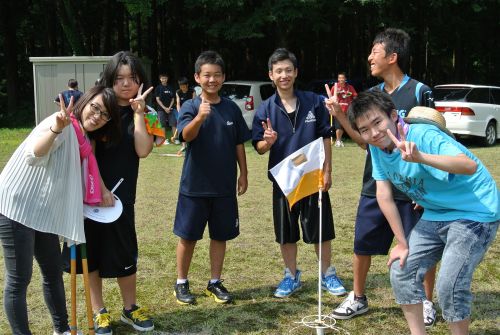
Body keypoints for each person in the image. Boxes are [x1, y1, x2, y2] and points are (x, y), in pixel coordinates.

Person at [348, 90, 499, 335]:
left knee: (449, 284)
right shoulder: (377, 148)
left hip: (474, 210)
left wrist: (420, 157)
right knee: (401, 269)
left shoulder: (423, 135)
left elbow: (469, 165)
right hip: (437, 212)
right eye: (364, 129)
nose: (373, 133)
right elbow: (383, 195)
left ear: (394, 116)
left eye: (377, 122)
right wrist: (401, 242)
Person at [326, 28, 437, 326]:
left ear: (392, 56)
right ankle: (359, 297)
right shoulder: (370, 96)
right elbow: (363, 141)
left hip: (413, 188)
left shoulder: (419, 92)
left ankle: (426, 301)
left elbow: (429, 137)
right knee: (362, 243)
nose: (369, 58)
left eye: (374, 52)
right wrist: (339, 115)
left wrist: (424, 189)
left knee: (422, 248)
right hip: (376, 183)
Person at [0, 85, 120, 335]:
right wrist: (56, 128)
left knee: (53, 271)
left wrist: (103, 192)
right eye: (95, 107)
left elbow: (83, 175)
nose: (97, 116)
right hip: (17, 205)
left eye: (104, 114)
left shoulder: (85, 139)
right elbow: (34, 154)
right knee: (20, 278)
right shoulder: (62, 124)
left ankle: (62, 329)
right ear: (84, 102)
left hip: (43, 211)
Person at [63, 51, 155, 334]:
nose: (126, 84)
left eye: (132, 78)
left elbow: (143, 150)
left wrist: (139, 114)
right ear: (108, 80)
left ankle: (130, 308)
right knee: (91, 255)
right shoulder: (97, 108)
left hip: (121, 199)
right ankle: (99, 310)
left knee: (125, 253)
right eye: (119, 78)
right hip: (86, 197)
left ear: (141, 81)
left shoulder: (147, 114)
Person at [252, 48, 346, 299]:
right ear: (270, 75)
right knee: (286, 232)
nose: (284, 75)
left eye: (288, 70)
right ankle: (291, 275)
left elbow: (326, 136)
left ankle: (328, 273)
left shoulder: (313, 101)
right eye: (278, 71)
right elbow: (259, 148)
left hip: (312, 177)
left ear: (296, 73)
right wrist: (268, 142)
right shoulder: (265, 109)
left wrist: (327, 170)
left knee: (321, 229)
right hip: (283, 181)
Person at [172, 51, 250, 305]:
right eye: (207, 75)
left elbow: (239, 143)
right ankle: (181, 283)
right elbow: (185, 135)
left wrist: (244, 173)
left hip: (224, 186)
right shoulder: (190, 106)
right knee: (188, 235)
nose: (212, 80)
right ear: (197, 77)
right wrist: (200, 117)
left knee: (220, 235)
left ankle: (214, 282)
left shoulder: (231, 108)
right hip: (194, 186)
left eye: (217, 75)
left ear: (223, 77)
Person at [330, 72, 357, 147]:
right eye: (340, 78)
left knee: (346, 126)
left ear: (345, 79)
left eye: (343, 78)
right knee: (338, 125)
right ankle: (338, 141)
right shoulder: (335, 87)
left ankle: (340, 140)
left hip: (348, 109)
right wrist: (336, 94)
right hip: (338, 109)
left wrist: (351, 97)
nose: (341, 79)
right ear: (338, 79)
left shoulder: (350, 87)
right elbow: (330, 97)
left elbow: (355, 96)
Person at [154, 73, 177, 144]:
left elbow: (173, 99)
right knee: (162, 124)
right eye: (162, 78)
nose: (164, 79)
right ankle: (164, 140)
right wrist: (164, 108)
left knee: (173, 123)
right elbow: (157, 99)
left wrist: (169, 107)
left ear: (167, 79)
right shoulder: (158, 88)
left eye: (165, 78)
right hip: (161, 109)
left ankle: (175, 139)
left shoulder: (171, 87)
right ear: (160, 79)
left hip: (170, 108)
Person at [175, 77, 195, 156]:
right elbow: (178, 103)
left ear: (187, 85)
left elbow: (194, 102)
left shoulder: (192, 91)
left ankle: (190, 145)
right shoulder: (178, 92)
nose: (182, 87)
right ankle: (183, 146)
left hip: (191, 111)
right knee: (181, 127)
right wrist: (180, 112)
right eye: (180, 86)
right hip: (182, 112)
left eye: (183, 86)